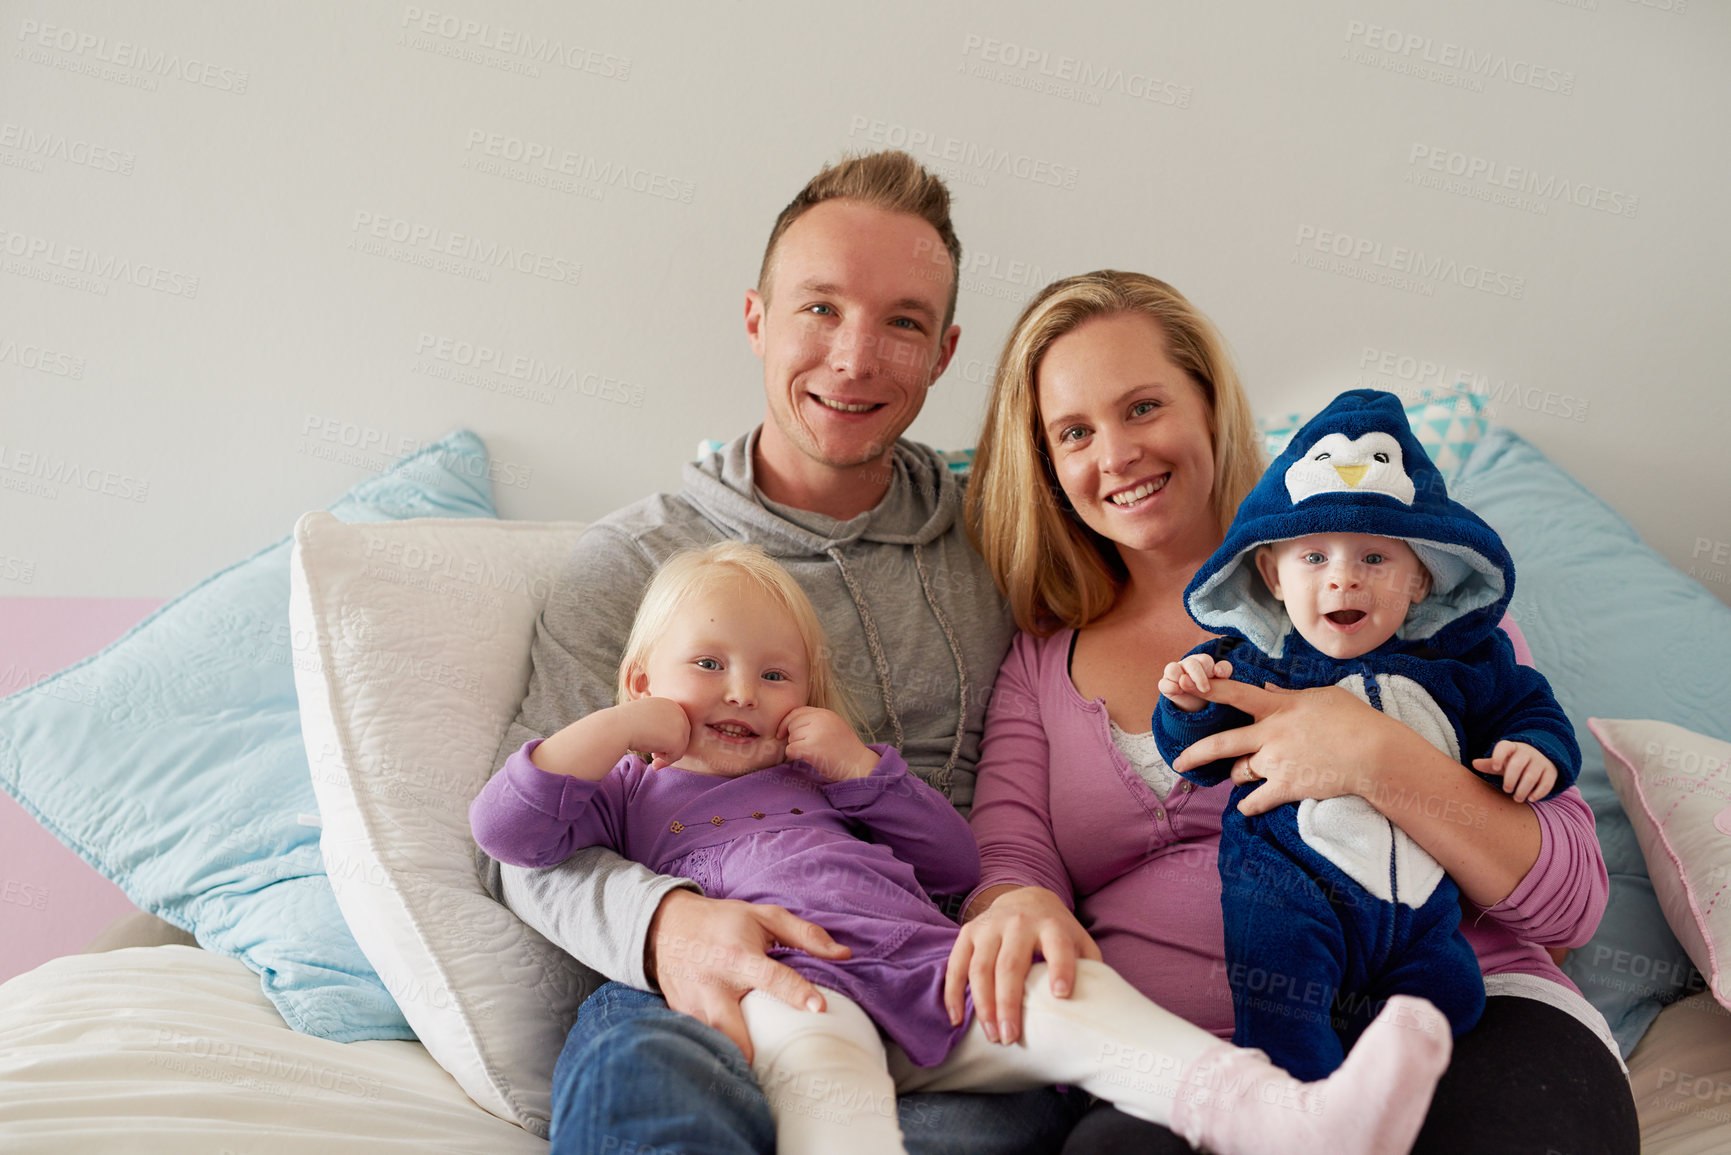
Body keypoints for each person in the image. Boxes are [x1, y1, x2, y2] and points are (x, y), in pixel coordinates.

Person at [953, 270, 1639, 1153]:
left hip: (1461, 1011)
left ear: (1208, 407)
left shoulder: (1408, 597)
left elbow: (1572, 902)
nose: (1115, 453)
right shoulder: (1041, 659)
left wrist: (1374, 757)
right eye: (1074, 431)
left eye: (1143, 407)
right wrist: (1008, 903)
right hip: (1197, 1067)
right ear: (1047, 465)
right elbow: (1013, 858)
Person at [474, 541, 1454, 1155]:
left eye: (774, 674)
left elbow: (950, 866)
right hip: (792, 982)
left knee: (1077, 997)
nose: (740, 691)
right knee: (830, 1087)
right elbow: (507, 834)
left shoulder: (826, 769)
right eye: (707, 665)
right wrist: (612, 729)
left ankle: (1286, 1122)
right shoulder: (629, 787)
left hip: (928, 968)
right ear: (644, 676)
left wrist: (864, 772)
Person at [485, 150, 1079, 1153]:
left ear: (944, 352)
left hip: (935, 983)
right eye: (819, 309)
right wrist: (667, 924)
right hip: (705, 979)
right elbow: (520, 842)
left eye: (903, 322)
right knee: (645, 1098)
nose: (854, 358)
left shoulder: (1001, 541)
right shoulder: (632, 561)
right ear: (757, 318)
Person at [1152, 387, 1581, 1080]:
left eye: (1373, 560)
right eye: (1313, 557)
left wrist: (1536, 750)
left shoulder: (1463, 663)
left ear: (1419, 577)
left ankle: (1389, 1088)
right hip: (1290, 885)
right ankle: (1304, 1099)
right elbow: (1194, 756)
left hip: (1416, 907)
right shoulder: (1260, 663)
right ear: (1271, 572)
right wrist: (1188, 699)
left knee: (1452, 996)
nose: (1342, 578)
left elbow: (1527, 706)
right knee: (1284, 1001)